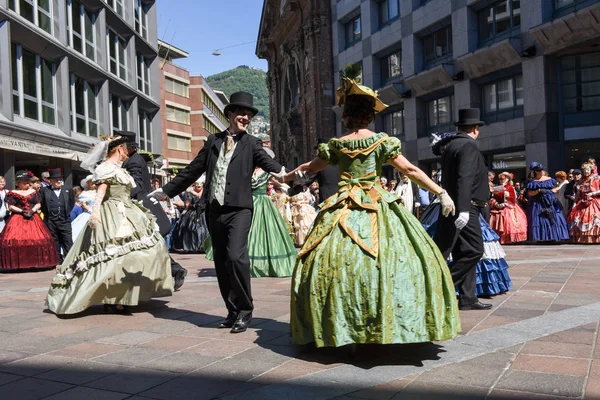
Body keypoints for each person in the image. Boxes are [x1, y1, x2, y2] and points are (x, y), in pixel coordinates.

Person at [287, 71, 460, 348]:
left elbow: (307, 169)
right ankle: (387, 322)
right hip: (376, 201)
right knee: (398, 259)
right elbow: (410, 169)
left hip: (341, 206)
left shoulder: (336, 145)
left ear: (346, 116)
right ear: (369, 115)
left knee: (332, 259)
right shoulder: (381, 141)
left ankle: (342, 325)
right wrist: (440, 192)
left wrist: (284, 178)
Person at [148, 91, 291, 334]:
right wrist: (165, 192)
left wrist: (287, 174)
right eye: (241, 113)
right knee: (222, 262)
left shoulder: (252, 143)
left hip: (240, 210)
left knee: (236, 257)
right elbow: (192, 171)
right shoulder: (213, 141)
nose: (245, 117)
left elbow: (270, 165)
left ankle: (246, 309)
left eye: (249, 115)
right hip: (213, 210)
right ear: (230, 114)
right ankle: (232, 311)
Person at [46, 136, 172, 315]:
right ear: (119, 148)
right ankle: (111, 297)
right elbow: (101, 192)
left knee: (144, 251)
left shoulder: (121, 169)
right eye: (126, 148)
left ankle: (122, 294)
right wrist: (95, 212)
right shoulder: (105, 168)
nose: (127, 152)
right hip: (111, 213)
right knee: (112, 257)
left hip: (129, 212)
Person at [433, 109, 492, 311]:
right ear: (475, 128)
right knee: (475, 250)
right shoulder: (468, 144)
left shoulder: (451, 146)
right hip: (466, 206)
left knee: (461, 251)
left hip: (454, 205)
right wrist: (465, 209)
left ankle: (468, 298)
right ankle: (439, 286)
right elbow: (464, 177)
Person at [119, 131, 188, 291]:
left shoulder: (134, 162)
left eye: (121, 147)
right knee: (148, 246)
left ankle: (175, 270)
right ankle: (173, 270)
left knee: (149, 245)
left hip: (143, 209)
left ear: (129, 148)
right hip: (141, 208)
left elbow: (136, 187)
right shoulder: (132, 160)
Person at [0, 170, 59, 271]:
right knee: (15, 241)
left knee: (39, 239)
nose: (28, 183)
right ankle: (19, 264)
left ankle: (37, 262)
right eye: (25, 182)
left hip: (33, 217)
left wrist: (32, 211)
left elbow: (38, 203)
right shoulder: (12, 193)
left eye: (28, 182)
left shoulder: (33, 192)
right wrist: (22, 211)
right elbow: (10, 207)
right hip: (17, 218)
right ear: (19, 183)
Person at [526, 162, 569, 242]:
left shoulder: (550, 180)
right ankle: (541, 237)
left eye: (540, 170)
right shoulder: (532, 182)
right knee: (540, 219)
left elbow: (556, 190)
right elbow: (530, 193)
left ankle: (554, 236)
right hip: (537, 204)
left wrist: (548, 192)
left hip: (550, 202)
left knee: (553, 218)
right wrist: (539, 191)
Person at [41, 169, 74, 261]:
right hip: (51, 220)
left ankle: (69, 259)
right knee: (54, 240)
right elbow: (42, 205)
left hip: (64, 220)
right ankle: (57, 258)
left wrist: (65, 213)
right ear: (50, 181)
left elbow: (71, 203)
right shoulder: (44, 190)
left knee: (67, 240)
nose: (59, 181)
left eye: (60, 179)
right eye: (56, 180)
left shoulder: (68, 189)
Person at [171, 177, 210, 253]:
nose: (199, 188)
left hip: (203, 213)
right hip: (193, 213)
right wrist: (193, 205)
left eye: (200, 186)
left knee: (204, 229)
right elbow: (187, 205)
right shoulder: (190, 193)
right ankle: (193, 247)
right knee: (190, 229)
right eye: (198, 186)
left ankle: (203, 246)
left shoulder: (205, 193)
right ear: (195, 186)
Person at [489, 172, 528, 244]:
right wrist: (495, 202)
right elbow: (494, 197)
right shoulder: (498, 186)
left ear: (507, 179)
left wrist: (506, 197)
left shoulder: (509, 187)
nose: (501, 180)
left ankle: (508, 238)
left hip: (508, 206)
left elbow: (512, 199)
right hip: (498, 206)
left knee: (508, 222)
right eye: (500, 179)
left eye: (502, 179)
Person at [567, 162, 600, 243]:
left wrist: (592, 193)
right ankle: (583, 238)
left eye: (588, 170)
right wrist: (574, 204)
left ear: (591, 170)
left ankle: (594, 238)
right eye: (585, 170)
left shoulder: (596, 179)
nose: (586, 172)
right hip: (582, 202)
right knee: (578, 219)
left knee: (594, 218)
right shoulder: (580, 181)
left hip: (593, 201)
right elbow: (578, 195)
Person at [71, 176, 96, 242]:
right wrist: (90, 210)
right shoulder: (85, 194)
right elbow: (84, 205)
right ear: (88, 183)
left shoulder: (100, 192)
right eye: (91, 182)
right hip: (88, 215)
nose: (94, 184)